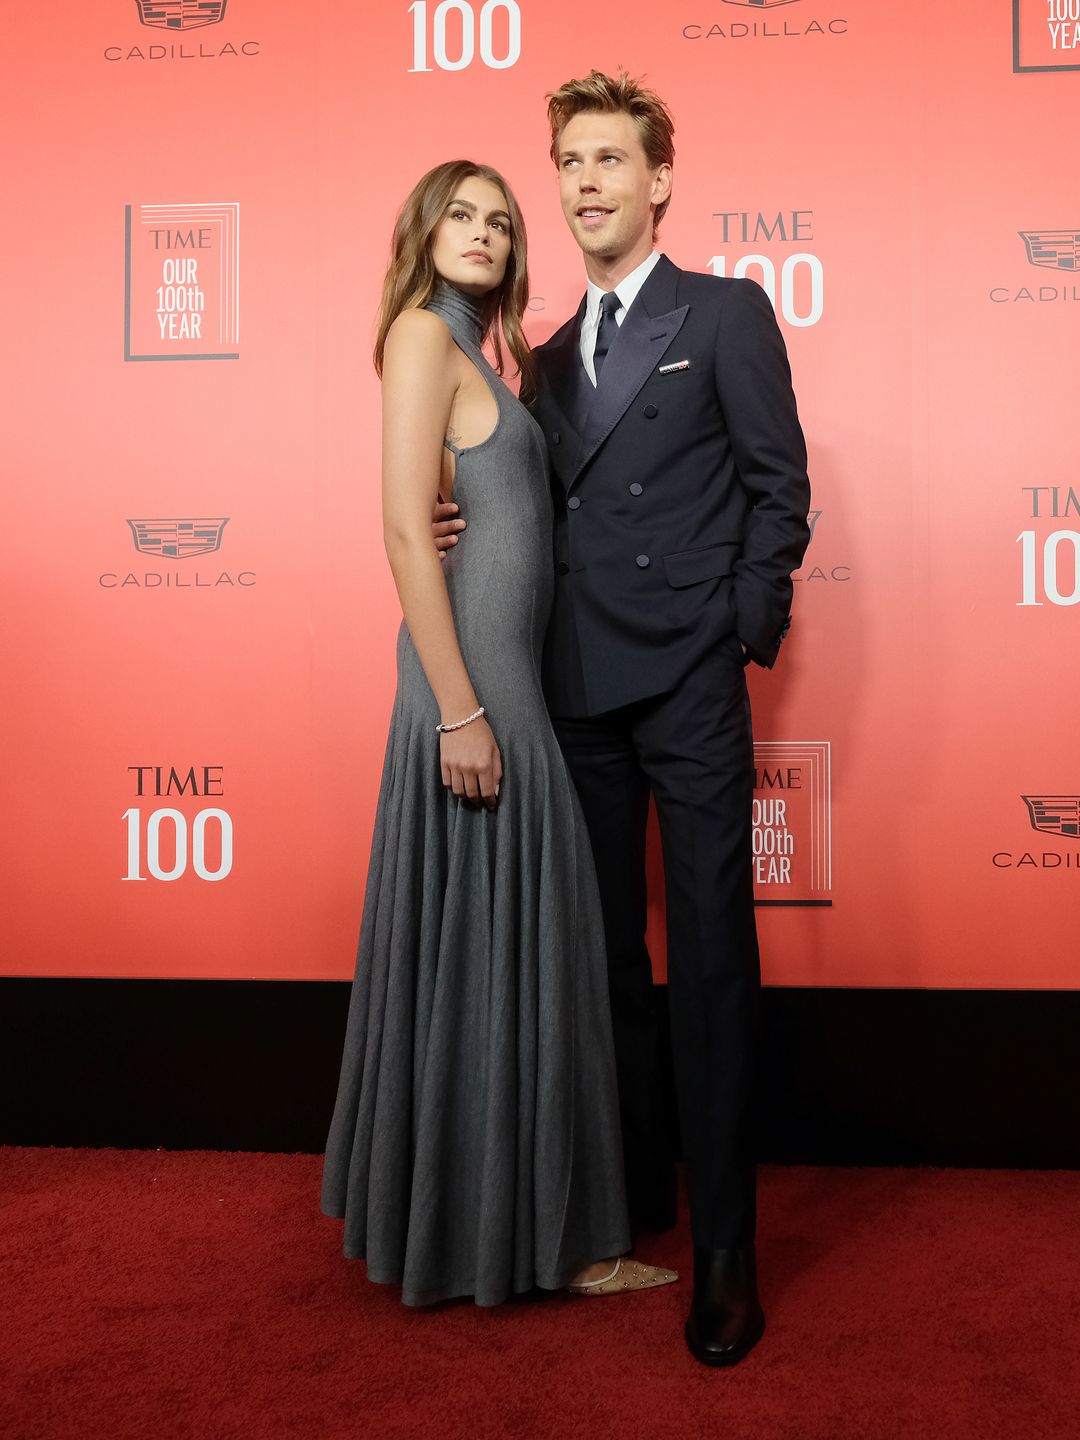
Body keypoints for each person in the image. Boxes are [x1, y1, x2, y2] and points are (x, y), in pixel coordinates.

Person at [434, 74, 811, 1363]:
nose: (586, 180)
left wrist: (738, 630)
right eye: (569, 161)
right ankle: (629, 1197)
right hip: (572, 693)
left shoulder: (728, 312)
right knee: (600, 964)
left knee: (709, 960)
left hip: (690, 684)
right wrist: (457, 518)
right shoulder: (533, 357)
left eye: (610, 158)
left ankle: (724, 1251)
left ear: (658, 181)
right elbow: (532, 508)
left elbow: (779, 489)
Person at [321, 160, 677, 1307]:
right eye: (459, 215)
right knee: (516, 954)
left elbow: (453, 508)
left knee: (505, 958)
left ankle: (509, 1235)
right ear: (422, 231)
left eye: (497, 219)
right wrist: (464, 710)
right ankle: (546, 1242)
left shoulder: (483, 355)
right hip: (473, 692)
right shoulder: (425, 338)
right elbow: (401, 531)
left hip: (500, 681)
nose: (480, 233)